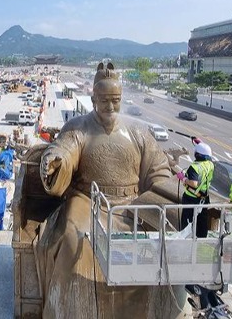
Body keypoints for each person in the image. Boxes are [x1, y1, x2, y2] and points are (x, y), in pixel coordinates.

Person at [36, 62, 184, 318]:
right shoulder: (79, 128)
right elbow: (66, 151)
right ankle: (73, 310)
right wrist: (56, 160)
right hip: (87, 201)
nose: (110, 107)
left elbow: (157, 167)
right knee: (74, 240)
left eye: (115, 100)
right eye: (104, 100)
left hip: (132, 203)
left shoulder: (137, 131)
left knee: (156, 246)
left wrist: (163, 188)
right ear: (94, 98)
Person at [176, 142, 214, 238]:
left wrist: (183, 178)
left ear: (197, 155)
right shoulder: (210, 165)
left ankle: (186, 241)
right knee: (202, 222)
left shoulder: (195, 167)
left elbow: (193, 183)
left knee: (187, 222)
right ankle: (201, 240)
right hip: (204, 198)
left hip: (191, 198)